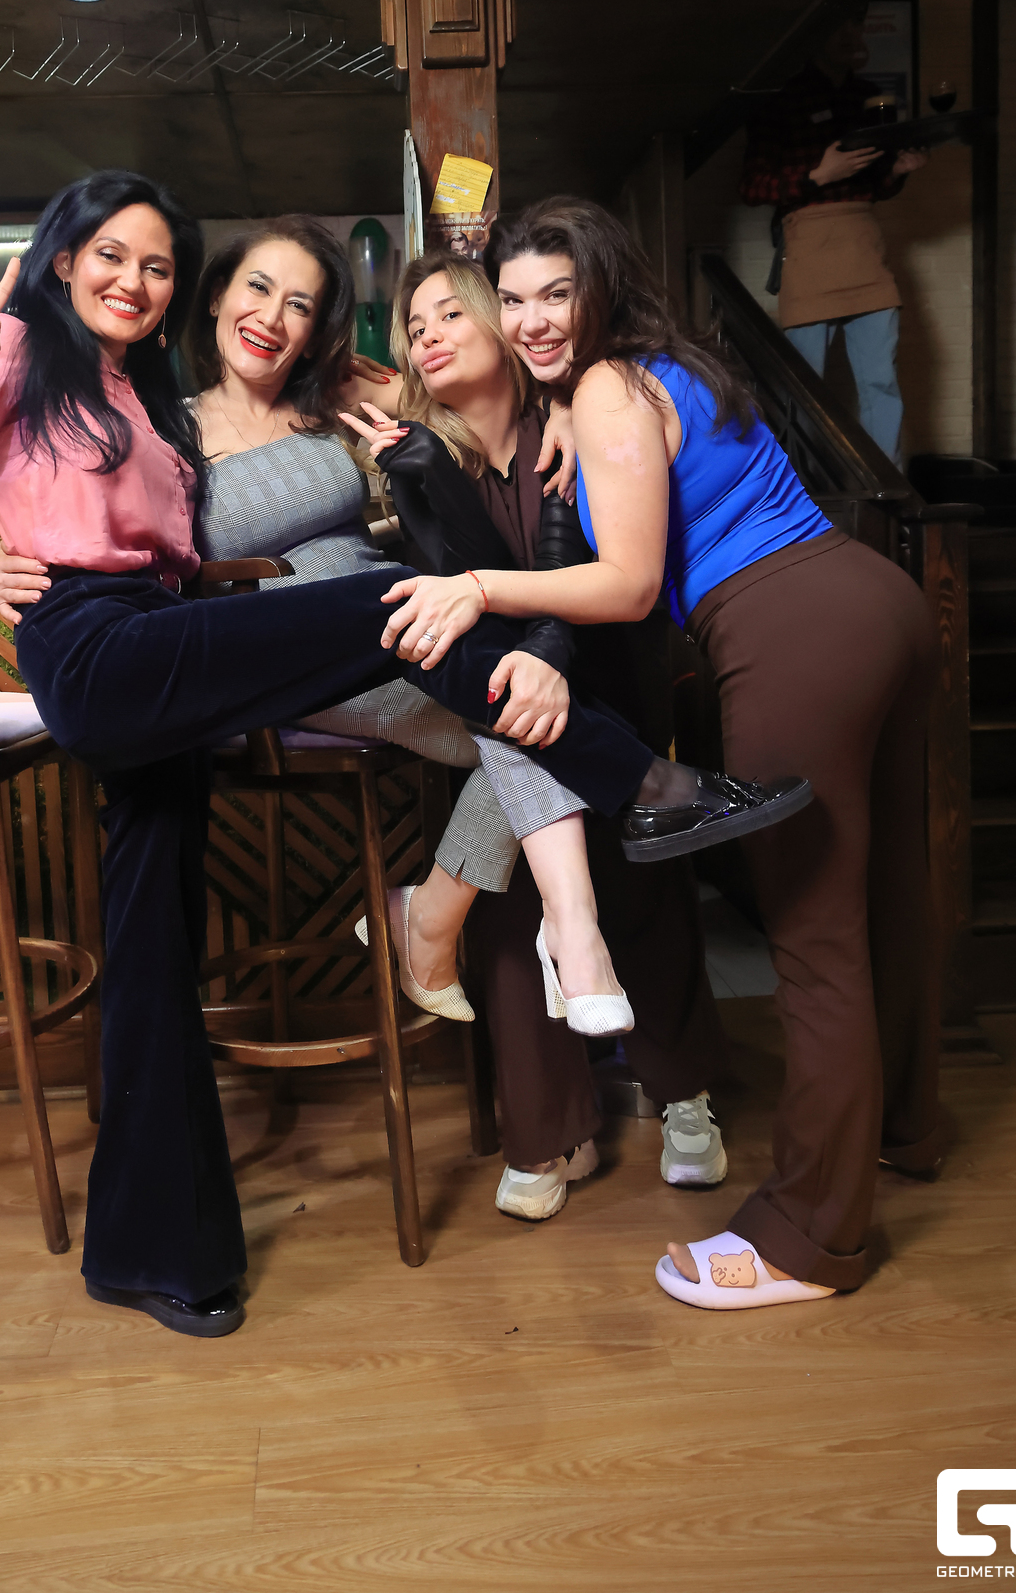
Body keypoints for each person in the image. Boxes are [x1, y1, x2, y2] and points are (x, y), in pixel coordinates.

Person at [0, 172, 746, 1339]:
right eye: (112, 256)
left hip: (162, 645)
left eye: (156, 265)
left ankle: (152, 1254)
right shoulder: (17, 351)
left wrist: (551, 421)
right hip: (100, 649)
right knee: (389, 605)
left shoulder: (150, 396)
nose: (134, 281)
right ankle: (641, 780)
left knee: (152, 946)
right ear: (64, 258)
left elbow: (173, 528)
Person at [375, 197, 942, 1310]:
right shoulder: (658, 371)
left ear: (603, 287)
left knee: (813, 937)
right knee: (888, 900)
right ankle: (904, 1131)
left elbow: (631, 585)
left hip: (787, 630)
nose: (534, 320)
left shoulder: (603, 388)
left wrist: (476, 585)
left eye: (557, 294)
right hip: (875, 602)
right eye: (516, 299)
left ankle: (809, 1238)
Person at [342, 253, 732, 1216]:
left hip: (606, 680)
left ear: (496, 321)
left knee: (646, 885)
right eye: (414, 326)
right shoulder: (421, 456)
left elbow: (588, 568)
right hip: (507, 709)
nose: (428, 336)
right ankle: (547, 1129)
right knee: (512, 908)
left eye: (449, 314)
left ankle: (684, 1093)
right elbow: (462, 603)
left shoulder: (569, 422)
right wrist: (428, 478)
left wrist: (553, 659)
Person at [739, 5, 927, 465]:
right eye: (840, 23)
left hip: (863, 244)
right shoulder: (784, 98)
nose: (850, 32)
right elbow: (751, 186)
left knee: (881, 381)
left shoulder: (866, 95)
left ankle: (889, 489)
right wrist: (818, 174)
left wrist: (898, 171)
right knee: (803, 387)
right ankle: (804, 488)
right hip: (809, 248)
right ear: (815, 34)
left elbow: (873, 185)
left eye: (856, 22)